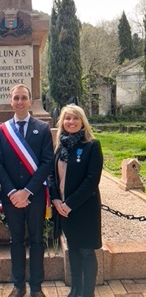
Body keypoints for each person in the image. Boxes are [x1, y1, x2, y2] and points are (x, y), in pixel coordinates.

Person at [0, 84, 54, 297]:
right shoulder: (2, 131)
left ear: (30, 101)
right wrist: (12, 192)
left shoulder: (43, 128)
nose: (19, 101)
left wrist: (27, 191)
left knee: (37, 241)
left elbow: (47, 163)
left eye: (23, 97)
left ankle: (36, 287)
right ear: (10, 101)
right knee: (16, 241)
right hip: (11, 198)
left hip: (34, 197)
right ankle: (18, 285)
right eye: (16, 98)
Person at [49, 104, 103, 297]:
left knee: (87, 251)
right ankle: (75, 289)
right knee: (73, 249)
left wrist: (70, 204)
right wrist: (55, 199)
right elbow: (52, 176)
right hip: (63, 208)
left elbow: (92, 180)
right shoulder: (60, 147)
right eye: (67, 118)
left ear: (82, 122)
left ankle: (87, 292)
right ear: (62, 122)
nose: (70, 122)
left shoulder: (92, 146)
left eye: (75, 118)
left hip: (84, 208)